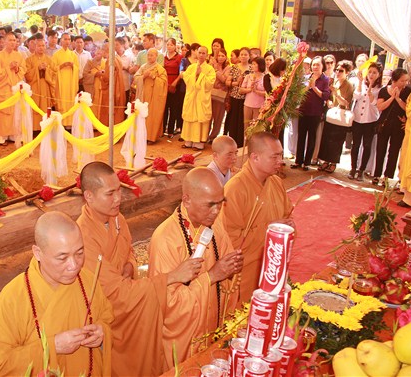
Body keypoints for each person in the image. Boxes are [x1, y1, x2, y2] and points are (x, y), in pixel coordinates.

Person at [77, 161, 203, 376]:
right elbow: (114, 291)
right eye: (110, 194)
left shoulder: (117, 218)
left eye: (118, 190)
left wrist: (131, 265)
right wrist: (171, 277)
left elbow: (129, 251)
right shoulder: (83, 236)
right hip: (107, 313)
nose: (118, 198)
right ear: (89, 196)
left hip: (129, 297)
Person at [0, 211, 113, 376]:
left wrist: (101, 333)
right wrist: (53, 347)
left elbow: (106, 317)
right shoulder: (14, 297)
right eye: (62, 258)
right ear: (38, 253)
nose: (74, 265)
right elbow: (1, 363)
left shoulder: (88, 280)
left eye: (79, 253)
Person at [149, 167, 243, 368]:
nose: (216, 211)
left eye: (220, 203)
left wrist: (232, 269)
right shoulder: (165, 239)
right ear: (187, 200)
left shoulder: (215, 225)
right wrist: (211, 277)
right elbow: (168, 305)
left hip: (213, 328)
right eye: (210, 205)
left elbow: (229, 281)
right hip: (183, 340)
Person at [219, 131, 293, 305]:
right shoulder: (235, 189)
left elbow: (287, 215)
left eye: (281, 155)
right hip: (246, 270)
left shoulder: (276, 182)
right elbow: (229, 239)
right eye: (274, 157)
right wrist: (270, 230)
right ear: (255, 157)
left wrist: (288, 228)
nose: (280, 161)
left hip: (273, 266)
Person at [372, 68, 411, 186]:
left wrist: (398, 99)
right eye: (402, 81)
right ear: (394, 80)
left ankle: (387, 177)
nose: (405, 83)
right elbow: (380, 107)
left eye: (406, 80)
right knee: (380, 150)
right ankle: (376, 174)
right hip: (384, 124)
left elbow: (408, 108)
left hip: (399, 125)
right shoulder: (384, 90)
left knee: (393, 152)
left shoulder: (408, 91)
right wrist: (392, 98)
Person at [291, 56, 331, 171]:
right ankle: (298, 161)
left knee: (311, 137)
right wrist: (308, 86)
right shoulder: (307, 77)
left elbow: (325, 96)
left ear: (322, 66)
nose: (315, 67)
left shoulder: (325, 80)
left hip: (315, 112)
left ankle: (307, 162)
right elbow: (300, 93)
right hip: (303, 110)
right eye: (313, 64)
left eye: (318, 64)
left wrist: (314, 87)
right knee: (301, 136)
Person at [317, 60, 354, 174]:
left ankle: (333, 163)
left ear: (347, 72)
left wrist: (337, 94)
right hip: (332, 114)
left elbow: (346, 103)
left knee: (337, 141)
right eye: (337, 70)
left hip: (341, 116)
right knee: (327, 138)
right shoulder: (334, 82)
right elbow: (329, 97)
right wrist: (329, 101)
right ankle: (326, 161)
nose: (338, 72)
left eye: (341, 71)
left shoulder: (348, 85)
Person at [348, 62, 382, 181]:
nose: (371, 75)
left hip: (370, 120)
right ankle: (353, 168)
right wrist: (360, 83)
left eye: (374, 73)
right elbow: (356, 97)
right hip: (358, 119)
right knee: (355, 145)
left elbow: (376, 105)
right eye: (370, 72)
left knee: (367, 146)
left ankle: (361, 170)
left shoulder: (380, 89)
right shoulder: (361, 84)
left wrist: (371, 94)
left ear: (379, 74)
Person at [0, 31, 26, 145]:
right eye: (10, 40)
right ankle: (3, 136)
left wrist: (17, 69)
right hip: (4, 87)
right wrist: (9, 67)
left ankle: (13, 134)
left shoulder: (18, 55)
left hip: (15, 88)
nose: (13, 42)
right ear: (4, 42)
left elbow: (23, 70)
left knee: (15, 111)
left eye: (14, 40)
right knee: (4, 112)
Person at [181, 46, 216, 150]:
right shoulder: (191, 67)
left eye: (203, 53)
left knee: (200, 118)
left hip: (202, 98)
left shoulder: (210, 69)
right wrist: (195, 75)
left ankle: (199, 142)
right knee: (189, 117)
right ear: (197, 53)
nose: (201, 55)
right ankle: (188, 140)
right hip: (192, 97)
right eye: (199, 52)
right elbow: (186, 78)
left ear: (207, 55)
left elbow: (210, 83)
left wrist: (200, 75)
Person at [133, 48, 168, 143]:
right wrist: (144, 76)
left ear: (156, 56)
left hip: (154, 97)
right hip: (143, 96)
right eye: (148, 55)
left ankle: (151, 137)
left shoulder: (160, 69)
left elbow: (164, 83)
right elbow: (136, 78)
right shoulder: (143, 67)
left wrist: (154, 77)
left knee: (152, 116)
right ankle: (141, 136)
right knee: (141, 115)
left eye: (152, 55)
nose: (149, 57)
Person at [25, 39, 56, 131]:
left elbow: (54, 73)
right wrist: (37, 69)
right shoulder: (29, 59)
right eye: (39, 46)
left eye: (43, 46)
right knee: (34, 107)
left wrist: (47, 69)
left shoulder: (49, 59)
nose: (41, 48)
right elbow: (27, 75)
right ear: (35, 47)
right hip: (34, 87)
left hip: (45, 87)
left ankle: (45, 128)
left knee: (45, 107)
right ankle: (34, 128)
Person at [224, 48, 251, 148]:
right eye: (241, 54)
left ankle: (241, 145)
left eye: (245, 54)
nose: (243, 56)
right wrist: (236, 83)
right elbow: (227, 82)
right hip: (234, 97)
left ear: (249, 56)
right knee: (233, 121)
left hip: (247, 98)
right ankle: (232, 143)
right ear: (239, 56)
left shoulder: (252, 68)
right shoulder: (234, 67)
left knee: (243, 122)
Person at [52, 33, 79, 126]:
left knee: (70, 102)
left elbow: (77, 69)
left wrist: (73, 66)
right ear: (61, 40)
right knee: (61, 102)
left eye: (69, 39)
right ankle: (61, 123)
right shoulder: (56, 55)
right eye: (65, 39)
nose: (67, 41)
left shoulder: (73, 55)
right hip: (61, 83)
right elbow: (52, 69)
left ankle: (70, 124)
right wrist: (62, 66)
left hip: (70, 83)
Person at [97, 41, 126, 126]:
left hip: (111, 89)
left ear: (105, 50)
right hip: (119, 87)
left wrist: (101, 75)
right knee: (117, 110)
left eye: (102, 50)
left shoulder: (110, 60)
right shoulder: (117, 58)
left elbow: (107, 78)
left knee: (110, 110)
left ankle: (109, 130)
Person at [208, 49, 230, 142]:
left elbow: (224, 79)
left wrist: (216, 69)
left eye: (222, 56)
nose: (220, 58)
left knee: (218, 117)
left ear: (226, 57)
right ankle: (205, 135)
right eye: (219, 56)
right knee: (208, 116)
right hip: (210, 93)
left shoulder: (228, 68)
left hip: (221, 95)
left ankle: (213, 136)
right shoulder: (210, 65)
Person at [241, 57, 267, 135]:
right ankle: (246, 142)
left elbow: (268, 93)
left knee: (257, 128)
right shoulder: (248, 76)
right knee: (246, 127)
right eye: (252, 64)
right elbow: (241, 90)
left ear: (260, 65)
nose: (252, 66)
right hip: (247, 104)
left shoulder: (265, 77)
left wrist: (256, 91)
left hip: (259, 106)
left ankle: (255, 143)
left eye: (254, 64)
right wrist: (249, 89)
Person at [163, 38, 182, 138]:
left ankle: (170, 130)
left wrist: (175, 83)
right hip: (164, 84)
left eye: (171, 45)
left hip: (175, 85)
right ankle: (162, 129)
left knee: (173, 108)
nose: (169, 46)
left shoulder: (179, 57)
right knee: (164, 108)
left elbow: (181, 73)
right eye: (168, 44)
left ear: (175, 46)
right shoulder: (163, 57)